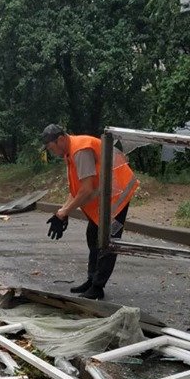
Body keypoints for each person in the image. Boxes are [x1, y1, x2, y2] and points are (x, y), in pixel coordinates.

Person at [40, 123, 139, 300]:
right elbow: (76, 190)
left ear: (60, 139)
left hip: (118, 195)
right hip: (107, 195)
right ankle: (91, 280)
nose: (50, 151)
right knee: (92, 235)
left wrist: (64, 213)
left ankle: (97, 287)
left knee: (107, 241)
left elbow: (86, 190)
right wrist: (62, 211)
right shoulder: (69, 152)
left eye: (50, 147)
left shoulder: (80, 150)